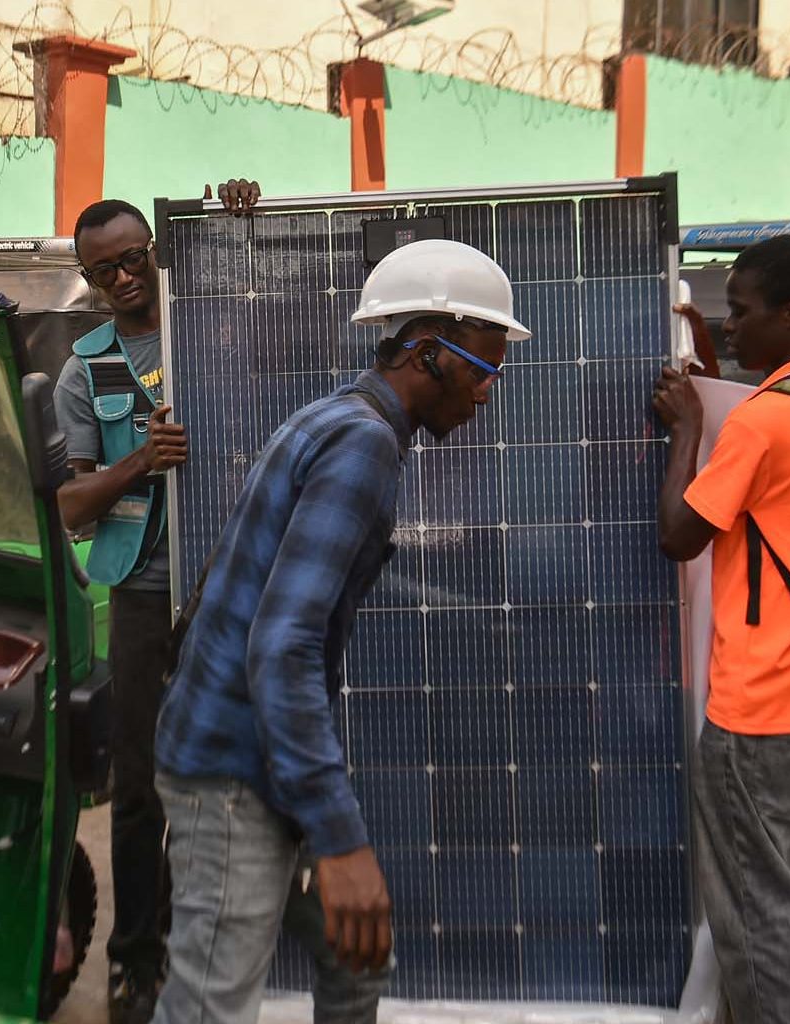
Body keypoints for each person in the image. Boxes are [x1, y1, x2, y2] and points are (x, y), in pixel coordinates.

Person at [151, 239, 530, 1024]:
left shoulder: (333, 417)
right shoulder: (361, 444)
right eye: (486, 368)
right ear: (428, 353)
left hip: (249, 753)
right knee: (209, 1007)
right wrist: (339, 838)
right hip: (230, 771)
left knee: (355, 953)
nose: (489, 393)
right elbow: (283, 646)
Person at [650, 234, 790, 1024]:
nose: (730, 323)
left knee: (754, 918)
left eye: (741, 311)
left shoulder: (767, 420)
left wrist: (684, 429)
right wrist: (716, 384)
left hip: (761, 715)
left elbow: (681, 533)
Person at [51, 179, 261, 1024]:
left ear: (158, 253)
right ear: (88, 278)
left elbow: (285, 313)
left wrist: (238, 229)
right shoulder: (84, 368)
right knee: (136, 790)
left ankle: (210, 950)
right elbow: (68, 507)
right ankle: (135, 961)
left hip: (231, 588)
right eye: (105, 270)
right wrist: (139, 461)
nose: (125, 277)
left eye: (136, 258)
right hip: (142, 598)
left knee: (227, 783)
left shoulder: (210, 327)